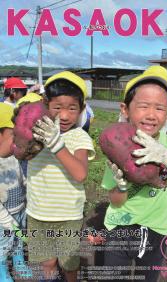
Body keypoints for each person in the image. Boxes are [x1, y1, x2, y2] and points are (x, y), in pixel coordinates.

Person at [101, 66, 167, 282]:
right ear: (125, 110)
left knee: (150, 277)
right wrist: (122, 185)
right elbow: (115, 201)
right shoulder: (117, 145)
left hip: (158, 229)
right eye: (143, 106)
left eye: (160, 108)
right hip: (120, 227)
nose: (151, 115)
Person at [26, 71, 95, 282]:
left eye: (72, 109)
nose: (64, 116)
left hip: (68, 216)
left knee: (69, 264)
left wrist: (56, 144)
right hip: (38, 212)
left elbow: (80, 173)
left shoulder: (79, 136)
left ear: (81, 109)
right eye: (57, 108)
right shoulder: (35, 134)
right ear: (45, 105)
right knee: (47, 262)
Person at [0, 102, 32, 282]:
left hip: (20, 208)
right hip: (2, 215)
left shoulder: (16, 155)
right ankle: (2, 267)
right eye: (12, 134)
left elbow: (24, 177)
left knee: (19, 237)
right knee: (3, 243)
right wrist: (5, 220)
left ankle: (18, 260)